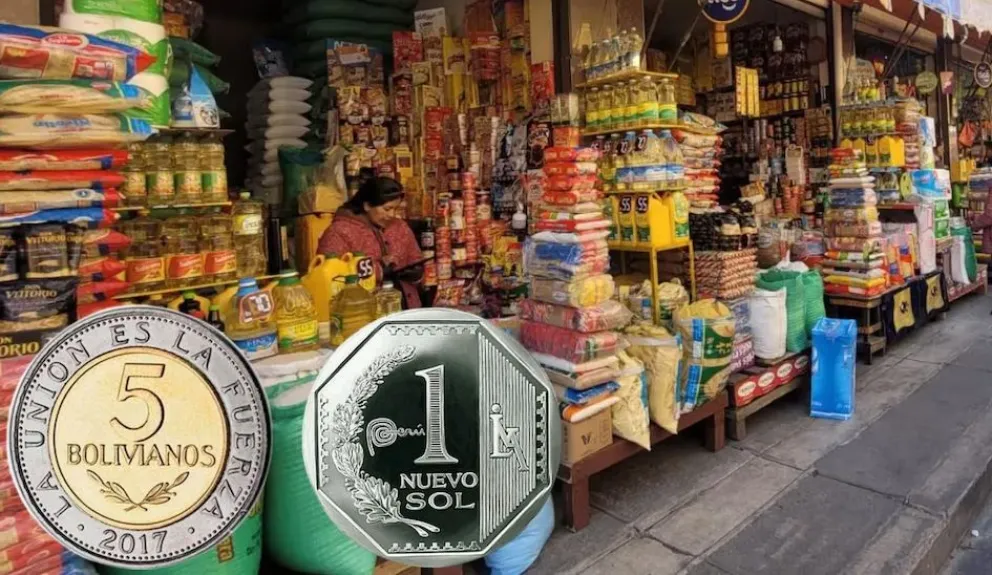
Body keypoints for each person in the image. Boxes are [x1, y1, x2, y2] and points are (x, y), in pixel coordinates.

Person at [317, 174, 424, 308]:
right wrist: (379, 270)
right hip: (362, 315)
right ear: (367, 205)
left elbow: (415, 257)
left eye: (395, 209)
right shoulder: (339, 232)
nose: (392, 215)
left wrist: (417, 273)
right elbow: (330, 279)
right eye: (387, 209)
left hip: (406, 311)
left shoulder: (400, 226)